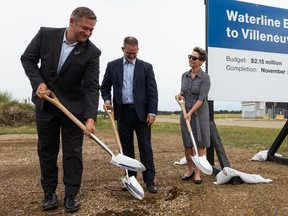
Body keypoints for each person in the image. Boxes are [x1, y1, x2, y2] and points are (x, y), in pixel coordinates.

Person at [20, 7, 101, 212]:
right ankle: (49, 193)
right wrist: (38, 83)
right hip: (46, 105)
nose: (88, 33)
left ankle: (71, 194)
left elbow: (92, 86)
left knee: (73, 153)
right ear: (72, 22)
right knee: (46, 151)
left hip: (74, 110)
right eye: (85, 28)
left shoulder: (92, 52)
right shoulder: (45, 35)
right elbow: (27, 59)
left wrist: (90, 118)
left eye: (92, 30)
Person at [101, 36, 158, 193]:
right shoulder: (112, 66)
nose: (132, 56)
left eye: (134, 53)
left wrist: (152, 111)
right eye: (128, 53)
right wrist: (107, 100)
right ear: (123, 49)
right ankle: (131, 179)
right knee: (126, 149)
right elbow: (105, 87)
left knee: (145, 147)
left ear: (138, 50)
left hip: (142, 114)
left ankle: (150, 180)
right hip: (123, 113)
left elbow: (152, 91)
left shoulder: (146, 67)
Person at [176, 47, 210, 184]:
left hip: (199, 112)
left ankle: (198, 172)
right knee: (187, 143)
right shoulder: (184, 75)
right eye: (190, 56)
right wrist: (179, 95)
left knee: (199, 143)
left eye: (194, 58)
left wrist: (191, 112)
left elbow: (202, 98)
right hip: (185, 111)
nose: (191, 59)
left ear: (201, 62)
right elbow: (183, 92)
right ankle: (190, 169)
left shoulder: (205, 78)